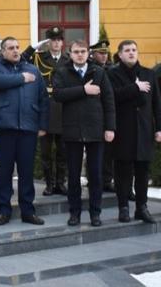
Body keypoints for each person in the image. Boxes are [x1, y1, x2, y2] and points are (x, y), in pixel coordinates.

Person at [0, 37, 49, 226]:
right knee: (4, 173)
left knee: (26, 173)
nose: (15, 51)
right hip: (5, 128)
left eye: (17, 47)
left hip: (28, 129)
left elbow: (43, 99)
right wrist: (21, 79)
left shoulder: (32, 69)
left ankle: (28, 211)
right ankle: (3, 211)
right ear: (3, 51)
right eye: (10, 48)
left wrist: (43, 125)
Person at [53, 40, 116, 227]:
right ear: (70, 54)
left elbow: (109, 101)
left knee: (95, 175)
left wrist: (110, 128)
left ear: (88, 53)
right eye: (76, 51)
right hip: (73, 130)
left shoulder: (99, 72)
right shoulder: (62, 72)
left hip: (96, 129)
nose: (79, 54)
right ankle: (74, 213)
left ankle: (95, 213)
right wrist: (84, 90)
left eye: (82, 51)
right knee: (73, 176)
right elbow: (57, 94)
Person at [107, 40, 161, 223]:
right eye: (127, 50)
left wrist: (159, 128)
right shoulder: (112, 74)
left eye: (134, 50)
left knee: (143, 171)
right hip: (123, 130)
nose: (131, 53)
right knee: (123, 172)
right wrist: (135, 88)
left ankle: (142, 207)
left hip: (145, 130)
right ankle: (123, 208)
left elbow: (157, 103)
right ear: (120, 54)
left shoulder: (148, 73)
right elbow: (111, 98)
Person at [22, 26, 68, 196]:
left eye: (58, 40)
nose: (56, 43)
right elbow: (21, 60)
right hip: (45, 109)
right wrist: (33, 47)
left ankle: (61, 183)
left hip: (64, 109)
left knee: (63, 151)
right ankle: (49, 184)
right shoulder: (38, 57)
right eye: (52, 40)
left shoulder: (69, 59)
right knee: (46, 152)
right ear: (48, 43)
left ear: (62, 42)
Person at [89, 40, 116, 194]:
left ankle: (107, 179)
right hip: (95, 115)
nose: (104, 56)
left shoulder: (112, 69)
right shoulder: (91, 69)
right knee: (96, 151)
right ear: (93, 54)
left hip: (110, 113)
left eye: (105, 53)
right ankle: (96, 180)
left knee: (110, 151)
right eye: (101, 53)